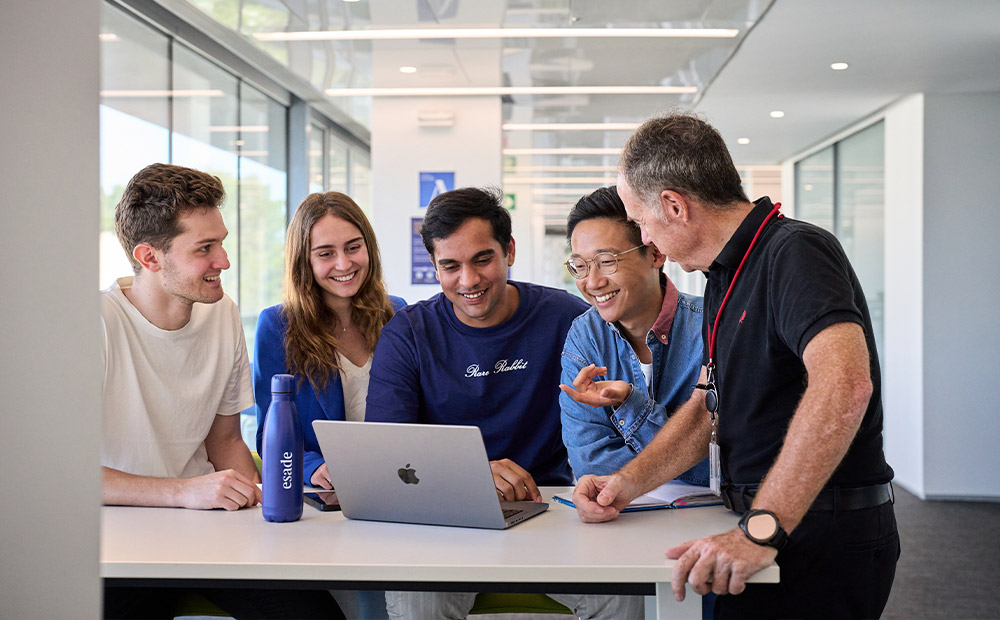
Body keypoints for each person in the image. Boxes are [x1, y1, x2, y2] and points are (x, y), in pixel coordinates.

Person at [572, 114, 899, 619]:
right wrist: (628, 483)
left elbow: (845, 385)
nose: (645, 235)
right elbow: (708, 407)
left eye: (639, 220)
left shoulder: (794, 253)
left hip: (814, 534)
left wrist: (763, 528)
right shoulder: (726, 279)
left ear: (674, 206)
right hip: (765, 527)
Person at [366, 186, 642, 620]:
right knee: (418, 604)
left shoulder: (567, 318)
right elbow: (385, 456)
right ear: (434, 267)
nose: (469, 280)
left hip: (552, 509)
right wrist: (474, 475)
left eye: (482, 259)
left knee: (627, 599)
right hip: (446, 519)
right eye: (450, 266)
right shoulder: (408, 334)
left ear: (508, 250)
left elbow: (614, 425)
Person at [101, 163, 343, 620]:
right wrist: (183, 492)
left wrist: (267, 518)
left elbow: (225, 441)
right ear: (150, 257)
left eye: (222, 242)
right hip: (116, 542)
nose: (224, 261)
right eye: (205, 249)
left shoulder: (221, 311)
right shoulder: (95, 324)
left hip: (206, 529)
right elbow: (62, 476)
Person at [253, 191, 405, 491]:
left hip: (396, 481)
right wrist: (312, 467)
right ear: (304, 260)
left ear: (369, 248)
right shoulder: (277, 326)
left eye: (353, 247)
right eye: (325, 253)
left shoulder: (396, 313)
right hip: (328, 493)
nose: (344, 263)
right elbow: (268, 434)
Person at [559, 186, 708, 485]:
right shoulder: (585, 336)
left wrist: (631, 404)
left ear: (655, 253)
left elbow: (721, 466)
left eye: (607, 261)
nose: (592, 282)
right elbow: (591, 464)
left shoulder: (710, 325)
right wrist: (684, 453)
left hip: (713, 519)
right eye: (580, 266)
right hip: (621, 524)